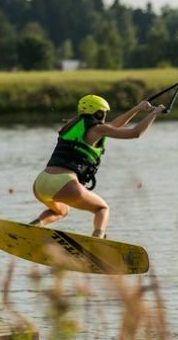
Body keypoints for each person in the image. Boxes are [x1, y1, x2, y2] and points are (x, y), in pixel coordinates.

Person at [29, 94, 165, 238]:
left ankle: (35, 226)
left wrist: (137, 108)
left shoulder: (72, 126)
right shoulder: (97, 130)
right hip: (65, 183)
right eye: (104, 113)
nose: (105, 116)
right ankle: (97, 241)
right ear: (98, 112)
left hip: (40, 183)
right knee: (102, 208)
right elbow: (135, 133)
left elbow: (113, 125)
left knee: (61, 211)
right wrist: (155, 113)